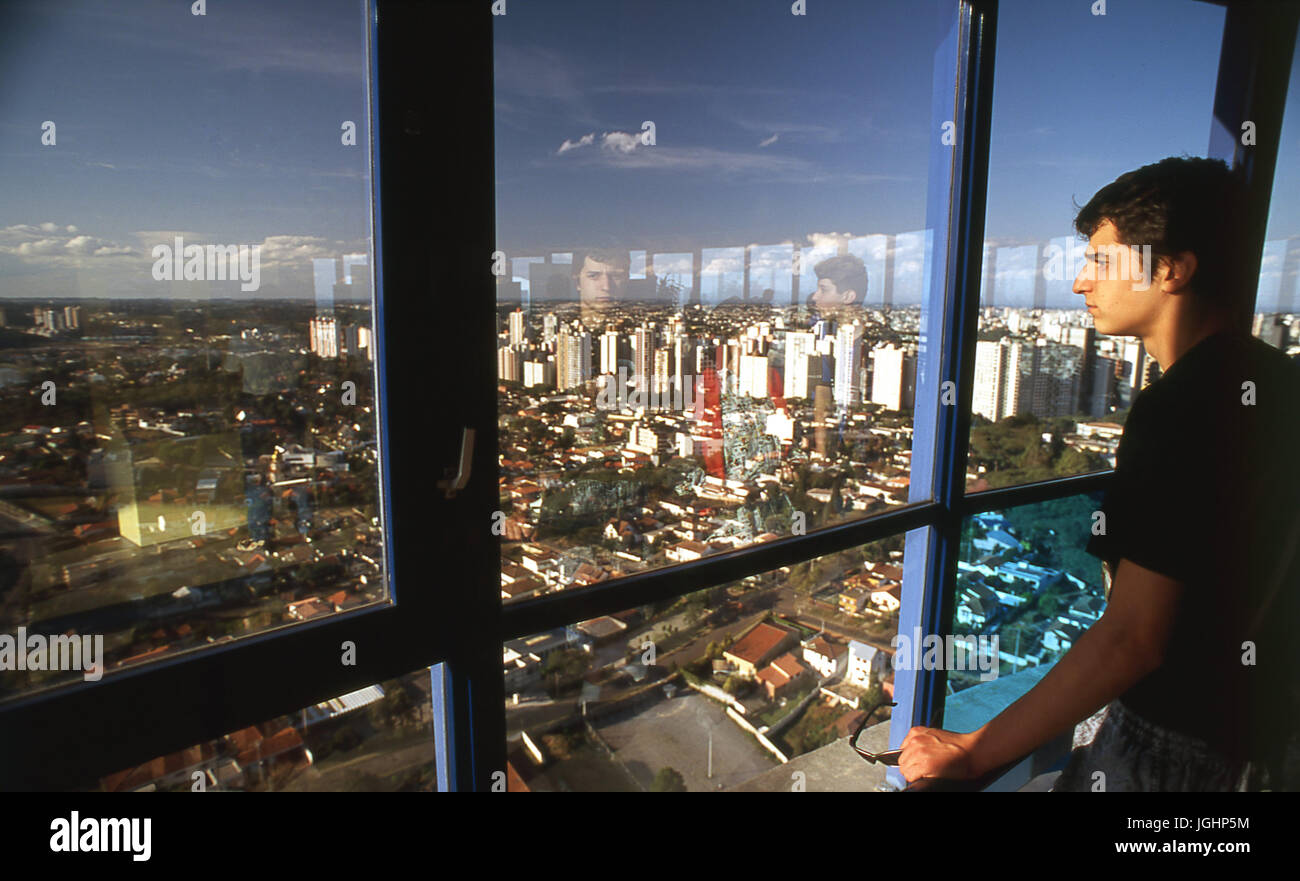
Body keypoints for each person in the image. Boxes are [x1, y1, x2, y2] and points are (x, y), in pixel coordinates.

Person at [898, 156, 1300, 792]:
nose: (1083, 283)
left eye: (1102, 261)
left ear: (1171, 269)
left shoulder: (1181, 406)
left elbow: (1133, 638)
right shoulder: (1277, 380)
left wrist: (973, 752)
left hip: (1184, 751)